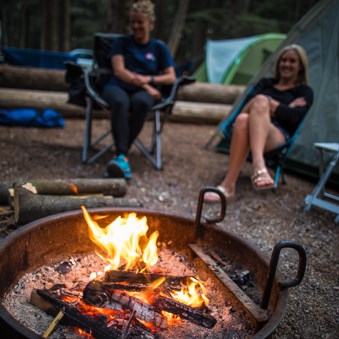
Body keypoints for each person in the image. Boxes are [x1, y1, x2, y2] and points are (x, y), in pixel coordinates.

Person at [205, 44, 313, 202]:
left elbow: (294, 117)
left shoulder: (304, 92)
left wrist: (268, 105)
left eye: (292, 61)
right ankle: (252, 169)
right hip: (245, 125)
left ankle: (231, 183)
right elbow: (245, 109)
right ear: (278, 63)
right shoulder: (265, 84)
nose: (287, 64)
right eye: (283, 60)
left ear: (301, 66)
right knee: (245, 117)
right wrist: (278, 106)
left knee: (260, 102)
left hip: (276, 134)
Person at [102, 0, 176, 179]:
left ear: (151, 23)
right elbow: (119, 71)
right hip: (118, 86)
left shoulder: (159, 48)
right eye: (132, 21)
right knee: (120, 102)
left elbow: (171, 76)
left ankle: (120, 156)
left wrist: (150, 80)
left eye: (140, 22)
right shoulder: (122, 42)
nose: (135, 26)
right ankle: (122, 154)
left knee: (141, 102)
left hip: (143, 93)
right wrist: (146, 85)